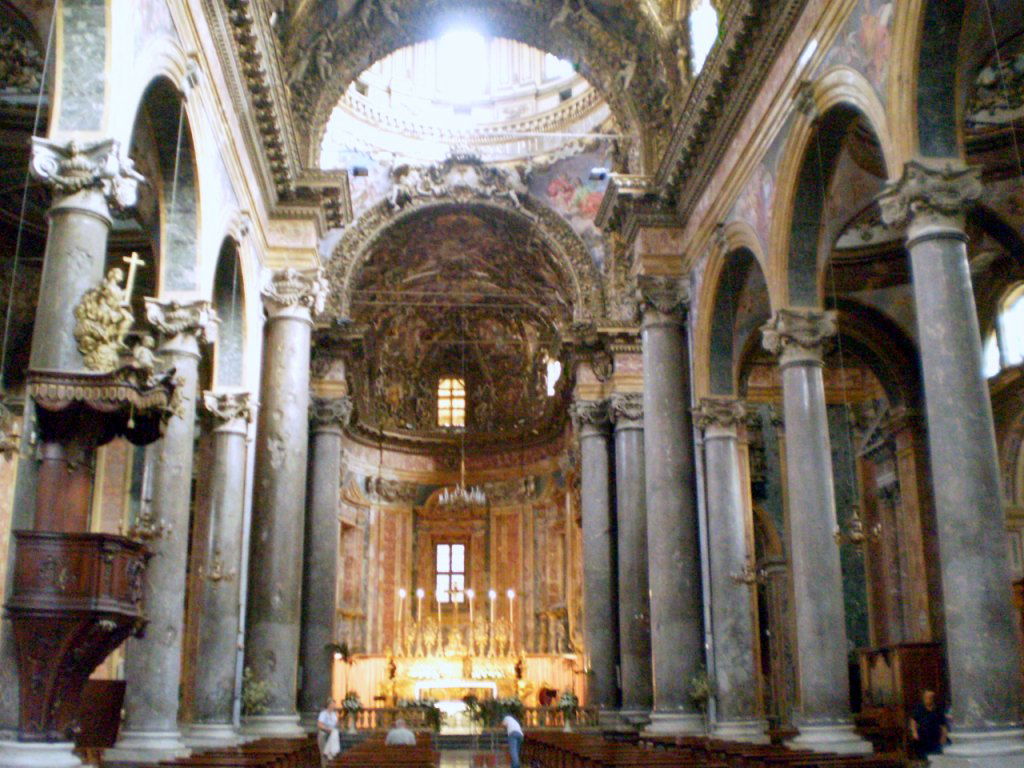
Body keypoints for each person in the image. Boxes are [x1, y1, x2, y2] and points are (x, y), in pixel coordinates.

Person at [909, 689, 949, 761]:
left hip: (935, 738)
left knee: (935, 758)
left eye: (930, 698)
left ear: (933, 699)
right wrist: (914, 732)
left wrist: (943, 737)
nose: (927, 699)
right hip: (923, 738)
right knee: (923, 758)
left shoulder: (938, 710)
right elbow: (913, 721)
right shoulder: (919, 709)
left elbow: (943, 725)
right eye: (926, 697)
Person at [317, 699, 340, 767]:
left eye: (334, 704)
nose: (333, 706)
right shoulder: (323, 713)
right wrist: (327, 729)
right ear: (328, 705)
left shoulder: (334, 714)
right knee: (324, 754)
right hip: (323, 734)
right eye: (332, 704)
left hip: (332, 735)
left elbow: (336, 724)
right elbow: (319, 724)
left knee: (331, 753)